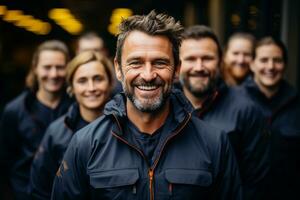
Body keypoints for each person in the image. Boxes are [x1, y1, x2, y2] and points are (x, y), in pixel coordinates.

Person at [51, 11, 242, 200]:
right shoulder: (85, 144)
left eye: (160, 63)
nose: (148, 75)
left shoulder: (214, 143)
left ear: (176, 70)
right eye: (136, 63)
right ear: (118, 68)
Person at [178, 25, 269, 200]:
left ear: (220, 62)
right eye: (190, 58)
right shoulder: (165, 107)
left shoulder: (246, 110)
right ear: (178, 64)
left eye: (207, 58)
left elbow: (256, 183)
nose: (199, 67)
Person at [28, 51, 115, 200]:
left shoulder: (127, 127)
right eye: (82, 81)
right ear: (71, 87)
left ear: (110, 83)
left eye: (98, 79)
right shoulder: (56, 133)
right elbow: (40, 190)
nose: (91, 87)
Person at [0, 40, 72, 200]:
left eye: (60, 67)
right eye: (47, 67)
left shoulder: (77, 108)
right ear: (35, 69)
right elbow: (5, 163)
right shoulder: (15, 110)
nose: (53, 74)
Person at [243, 36, 300, 199]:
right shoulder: (233, 101)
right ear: (252, 64)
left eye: (277, 60)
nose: (271, 66)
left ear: (285, 65)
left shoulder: (297, 104)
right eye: (264, 60)